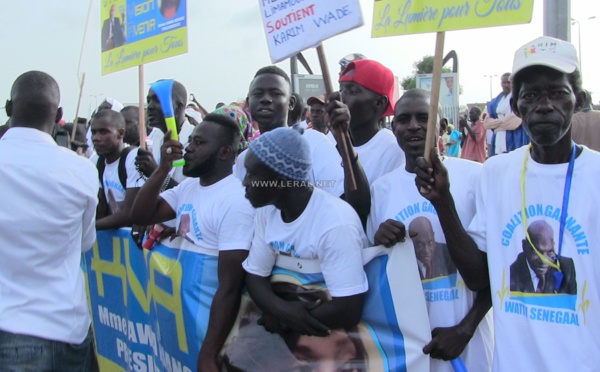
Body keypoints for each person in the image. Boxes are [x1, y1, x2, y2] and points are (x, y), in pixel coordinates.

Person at [415, 36, 599, 371]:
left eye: (557, 93)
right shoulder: (498, 172)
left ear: (580, 100)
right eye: (530, 95)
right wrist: (443, 202)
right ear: (515, 107)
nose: (544, 105)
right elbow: (478, 278)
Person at [368, 89, 493, 372]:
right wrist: (379, 243)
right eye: (403, 119)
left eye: (424, 117)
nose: (413, 126)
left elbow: (494, 273)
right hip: (410, 349)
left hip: (467, 347)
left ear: (441, 125)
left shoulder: (476, 177)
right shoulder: (381, 190)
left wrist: (464, 329)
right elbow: (377, 274)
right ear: (394, 127)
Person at [130, 113, 255, 371]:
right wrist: (163, 167)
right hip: (182, 328)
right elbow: (141, 214)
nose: (187, 148)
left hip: (209, 334)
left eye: (198, 143)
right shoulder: (188, 188)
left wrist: (208, 355)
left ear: (224, 153)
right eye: (190, 140)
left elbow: (229, 287)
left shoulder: (236, 202)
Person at [0, 71, 97, 370]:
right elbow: (85, 242)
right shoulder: (80, 170)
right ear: (59, 114)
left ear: (8, 108)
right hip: (63, 325)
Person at [242, 127, 368, 349]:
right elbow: (254, 276)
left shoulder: (335, 223)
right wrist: (280, 310)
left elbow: (348, 309)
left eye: (252, 174)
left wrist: (282, 320)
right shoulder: (267, 211)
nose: (244, 182)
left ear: (279, 180)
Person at [233, 66, 368, 219]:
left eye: (275, 93)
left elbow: (350, 205)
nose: (265, 99)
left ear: (291, 103)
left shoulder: (314, 142)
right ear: (248, 102)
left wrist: (344, 142)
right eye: (258, 94)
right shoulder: (245, 159)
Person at [339, 59, 404, 184]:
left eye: (352, 91)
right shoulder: (329, 142)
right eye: (341, 90)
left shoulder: (393, 151)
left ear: (379, 103)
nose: (341, 98)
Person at [92, 109, 146, 230]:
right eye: (93, 132)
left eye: (103, 132)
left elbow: (129, 214)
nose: (96, 138)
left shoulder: (132, 158)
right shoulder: (99, 162)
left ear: (120, 133)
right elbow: (101, 208)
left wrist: (87, 227)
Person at [139, 79, 193, 184]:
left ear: (179, 106)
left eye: (158, 100)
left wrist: (156, 172)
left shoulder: (195, 141)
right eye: (148, 100)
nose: (149, 106)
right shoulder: (154, 137)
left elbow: (190, 196)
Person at [510, 220, 577, 294]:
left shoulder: (567, 269)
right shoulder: (510, 274)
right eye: (537, 252)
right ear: (524, 246)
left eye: (550, 252)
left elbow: (574, 303)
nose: (544, 260)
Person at [485, 72, 530, 155]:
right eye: (504, 82)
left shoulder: (519, 99)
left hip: (515, 138)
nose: (506, 85)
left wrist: (496, 125)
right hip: (498, 140)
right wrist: (504, 123)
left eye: (508, 82)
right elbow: (487, 123)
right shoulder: (495, 102)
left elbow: (514, 123)